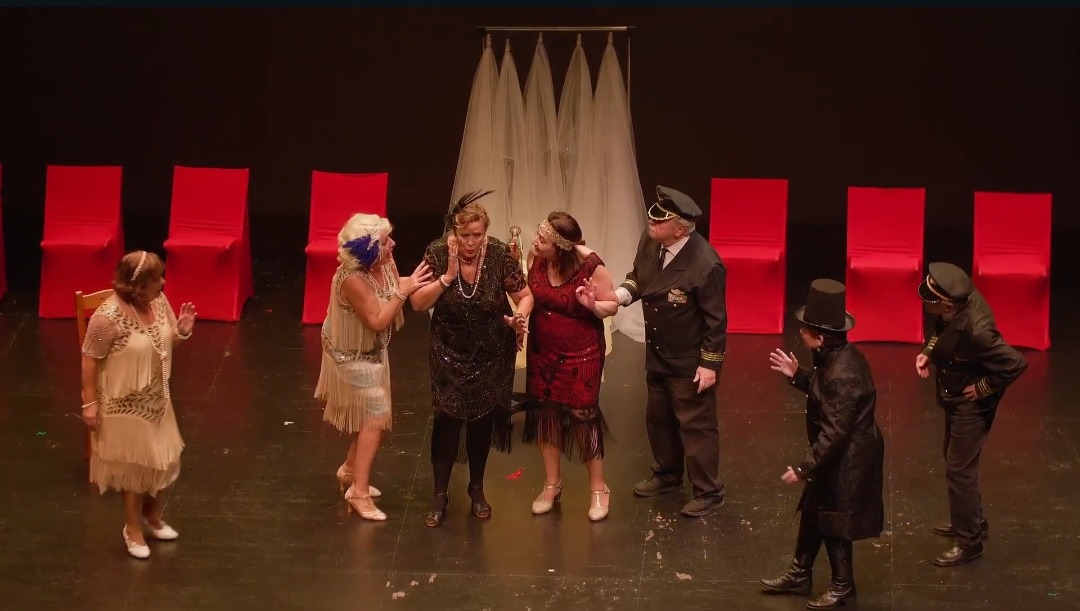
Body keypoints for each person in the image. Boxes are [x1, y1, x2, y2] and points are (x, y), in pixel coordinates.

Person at [409, 191, 532, 527]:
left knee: (482, 418)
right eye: (465, 235)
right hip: (448, 350)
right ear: (454, 231)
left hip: (492, 351)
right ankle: (440, 492)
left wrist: (519, 316)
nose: (471, 242)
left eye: (477, 235)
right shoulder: (437, 253)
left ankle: (477, 488)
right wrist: (447, 277)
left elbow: (525, 295)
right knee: (447, 418)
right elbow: (418, 303)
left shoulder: (499, 254)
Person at [760, 279, 884, 610]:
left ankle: (843, 585)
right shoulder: (833, 357)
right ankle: (801, 572)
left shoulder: (842, 372)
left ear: (821, 337)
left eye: (806, 330)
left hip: (848, 457)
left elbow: (835, 431)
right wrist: (798, 375)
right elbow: (825, 395)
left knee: (834, 518)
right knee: (815, 509)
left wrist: (805, 467)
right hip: (837, 451)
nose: (800, 333)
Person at [607, 185, 728, 518]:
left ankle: (708, 491)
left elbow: (716, 320)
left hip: (688, 358)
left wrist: (709, 365)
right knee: (659, 418)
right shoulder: (652, 241)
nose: (651, 224)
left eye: (660, 222)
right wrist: (619, 297)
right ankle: (667, 474)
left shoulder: (705, 264)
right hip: (659, 349)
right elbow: (639, 278)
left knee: (696, 426)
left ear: (680, 229)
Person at [315, 213, 432, 521]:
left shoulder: (384, 263)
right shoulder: (352, 279)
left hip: (372, 351)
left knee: (368, 416)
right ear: (367, 250)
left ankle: (350, 470)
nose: (392, 244)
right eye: (384, 241)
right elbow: (378, 319)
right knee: (375, 419)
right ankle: (359, 492)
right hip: (351, 355)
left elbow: (393, 289)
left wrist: (423, 282)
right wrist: (404, 291)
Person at [80, 250, 197, 559]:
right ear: (138, 285)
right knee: (135, 470)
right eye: (157, 278)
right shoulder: (107, 318)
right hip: (123, 404)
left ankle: (151, 515)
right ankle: (132, 528)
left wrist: (181, 332)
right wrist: (89, 403)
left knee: (163, 461)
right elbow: (89, 359)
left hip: (157, 399)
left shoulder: (158, 302)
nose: (163, 282)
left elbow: (163, 343)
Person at [916, 261, 1027, 567]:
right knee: (953, 459)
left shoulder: (979, 331)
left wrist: (982, 387)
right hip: (954, 394)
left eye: (931, 300)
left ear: (948, 304)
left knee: (959, 470)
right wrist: (928, 352)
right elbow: (942, 329)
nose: (926, 302)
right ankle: (973, 520)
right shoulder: (954, 305)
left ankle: (969, 542)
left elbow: (1015, 364)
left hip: (972, 404)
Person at [520, 211, 615, 521]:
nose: (536, 241)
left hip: (581, 354)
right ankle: (552, 484)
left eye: (543, 239)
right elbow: (531, 294)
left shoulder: (591, 268)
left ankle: (598, 487)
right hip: (543, 352)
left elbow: (612, 305)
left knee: (583, 418)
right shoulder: (537, 257)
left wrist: (592, 305)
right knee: (545, 416)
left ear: (560, 247)